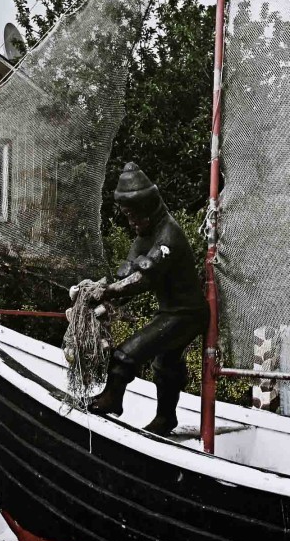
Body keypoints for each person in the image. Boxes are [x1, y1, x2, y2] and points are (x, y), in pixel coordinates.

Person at [82, 162, 209, 436]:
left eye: (133, 215)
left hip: (187, 314)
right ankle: (165, 418)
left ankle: (112, 400)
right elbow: (127, 272)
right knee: (165, 364)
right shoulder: (146, 234)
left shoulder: (168, 235)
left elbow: (143, 278)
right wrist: (103, 291)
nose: (131, 222)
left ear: (147, 208)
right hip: (172, 312)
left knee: (126, 355)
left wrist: (110, 292)